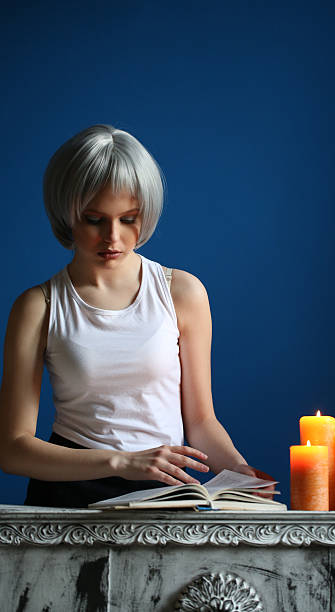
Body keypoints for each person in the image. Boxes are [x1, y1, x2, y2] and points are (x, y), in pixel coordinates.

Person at [0, 124, 274, 508]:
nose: (113, 237)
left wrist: (239, 472)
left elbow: (201, 423)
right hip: (67, 501)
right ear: (67, 213)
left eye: (129, 218)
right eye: (95, 219)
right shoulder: (38, 306)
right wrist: (122, 462)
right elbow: (12, 450)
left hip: (165, 496)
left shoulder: (182, 292)